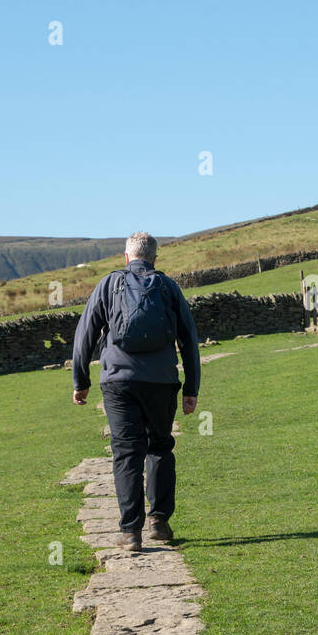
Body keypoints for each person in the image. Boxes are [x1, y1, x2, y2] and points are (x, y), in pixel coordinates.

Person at [71, 232, 200, 551]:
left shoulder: (109, 284)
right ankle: (159, 522)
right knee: (159, 447)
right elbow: (188, 338)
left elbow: (85, 332)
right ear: (155, 258)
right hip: (161, 381)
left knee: (127, 452)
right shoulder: (168, 286)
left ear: (126, 257)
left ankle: (131, 532)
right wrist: (191, 388)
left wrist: (81, 380)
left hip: (118, 381)